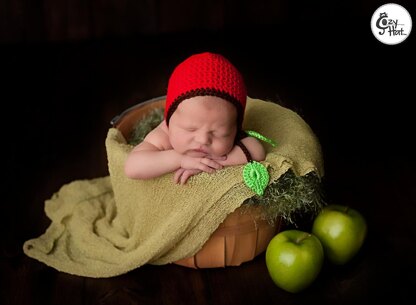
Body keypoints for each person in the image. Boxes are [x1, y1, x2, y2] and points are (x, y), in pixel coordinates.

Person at [124, 52, 266, 185]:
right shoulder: (163, 136)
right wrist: (179, 159)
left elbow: (256, 150)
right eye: (190, 129)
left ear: (235, 128)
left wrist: (205, 162)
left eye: (218, 133)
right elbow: (133, 166)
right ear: (169, 121)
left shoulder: (227, 129)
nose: (203, 140)